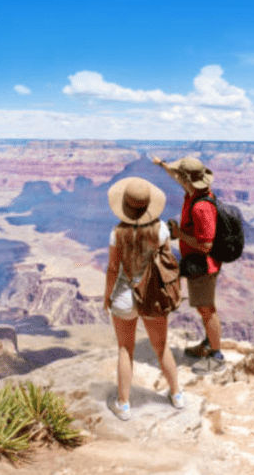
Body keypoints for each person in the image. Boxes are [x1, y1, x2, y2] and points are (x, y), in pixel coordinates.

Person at [104, 177, 184, 420]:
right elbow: (167, 261)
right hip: (153, 295)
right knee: (161, 346)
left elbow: (112, 269)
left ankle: (124, 404)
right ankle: (177, 394)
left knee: (125, 349)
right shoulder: (161, 230)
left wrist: (107, 297)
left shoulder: (117, 234)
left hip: (125, 295)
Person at [153, 156, 225, 373]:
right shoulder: (195, 192)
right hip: (197, 263)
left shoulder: (200, 207)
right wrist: (163, 164)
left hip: (204, 265)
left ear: (188, 180)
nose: (178, 178)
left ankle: (217, 356)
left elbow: (206, 244)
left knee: (207, 310)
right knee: (204, 308)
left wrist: (178, 234)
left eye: (181, 175)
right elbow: (179, 177)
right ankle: (208, 343)